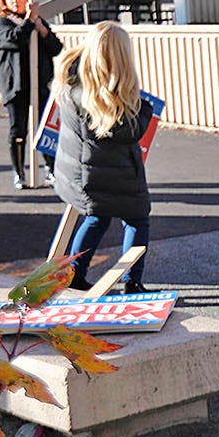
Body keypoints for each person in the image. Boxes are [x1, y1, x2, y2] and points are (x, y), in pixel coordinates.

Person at [53, 21, 156, 294]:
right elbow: (128, 131)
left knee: (96, 217)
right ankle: (131, 282)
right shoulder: (100, 96)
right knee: (137, 219)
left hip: (85, 173)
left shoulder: (74, 83)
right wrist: (145, 109)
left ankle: (75, 275)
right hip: (110, 172)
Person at [0, 0, 63, 189]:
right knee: (18, 129)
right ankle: (19, 172)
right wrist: (30, 22)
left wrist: (40, 27)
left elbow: (56, 48)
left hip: (40, 83)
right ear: (4, 1)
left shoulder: (37, 21)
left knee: (44, 128)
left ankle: (51, 169)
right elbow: (15, 39)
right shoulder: (1, 22)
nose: (15, 0)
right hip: (16, 85)